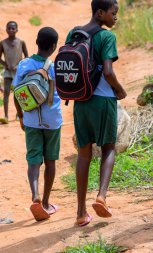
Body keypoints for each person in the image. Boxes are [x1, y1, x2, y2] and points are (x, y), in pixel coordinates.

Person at [66, 0, 127, 227]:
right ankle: (101, 196)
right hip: (102, 100)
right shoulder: (106, 37)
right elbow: (108, 72)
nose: (115, 18)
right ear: (100, 13)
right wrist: (119, 90)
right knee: (108, 147)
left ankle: (81, 213)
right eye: (113, 13)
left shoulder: (74, 33)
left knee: (84, 154)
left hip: (80, 101)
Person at [13, 27, 62, 221]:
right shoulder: (55, 66)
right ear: (53, 46)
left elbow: (17, 92)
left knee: (33, 160)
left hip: (32, 120)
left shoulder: (24, 64)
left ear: (36, 42)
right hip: (52, 120)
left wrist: (21, 116)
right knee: (50, 161)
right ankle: (46, 203)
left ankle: (35, 195)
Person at [0, 21, 28, 124]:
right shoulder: (3, 43)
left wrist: (20, 66)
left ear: (17, 30)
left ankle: (18, 114)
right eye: (9, 28)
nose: (11, 30)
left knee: (19, 93)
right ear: (6, 29)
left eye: (13, 28)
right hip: (8, 72)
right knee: (6, 93)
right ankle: (6, 116)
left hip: (18, 72)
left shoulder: (21, 42)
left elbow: (27, 57)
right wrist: (5, 64)